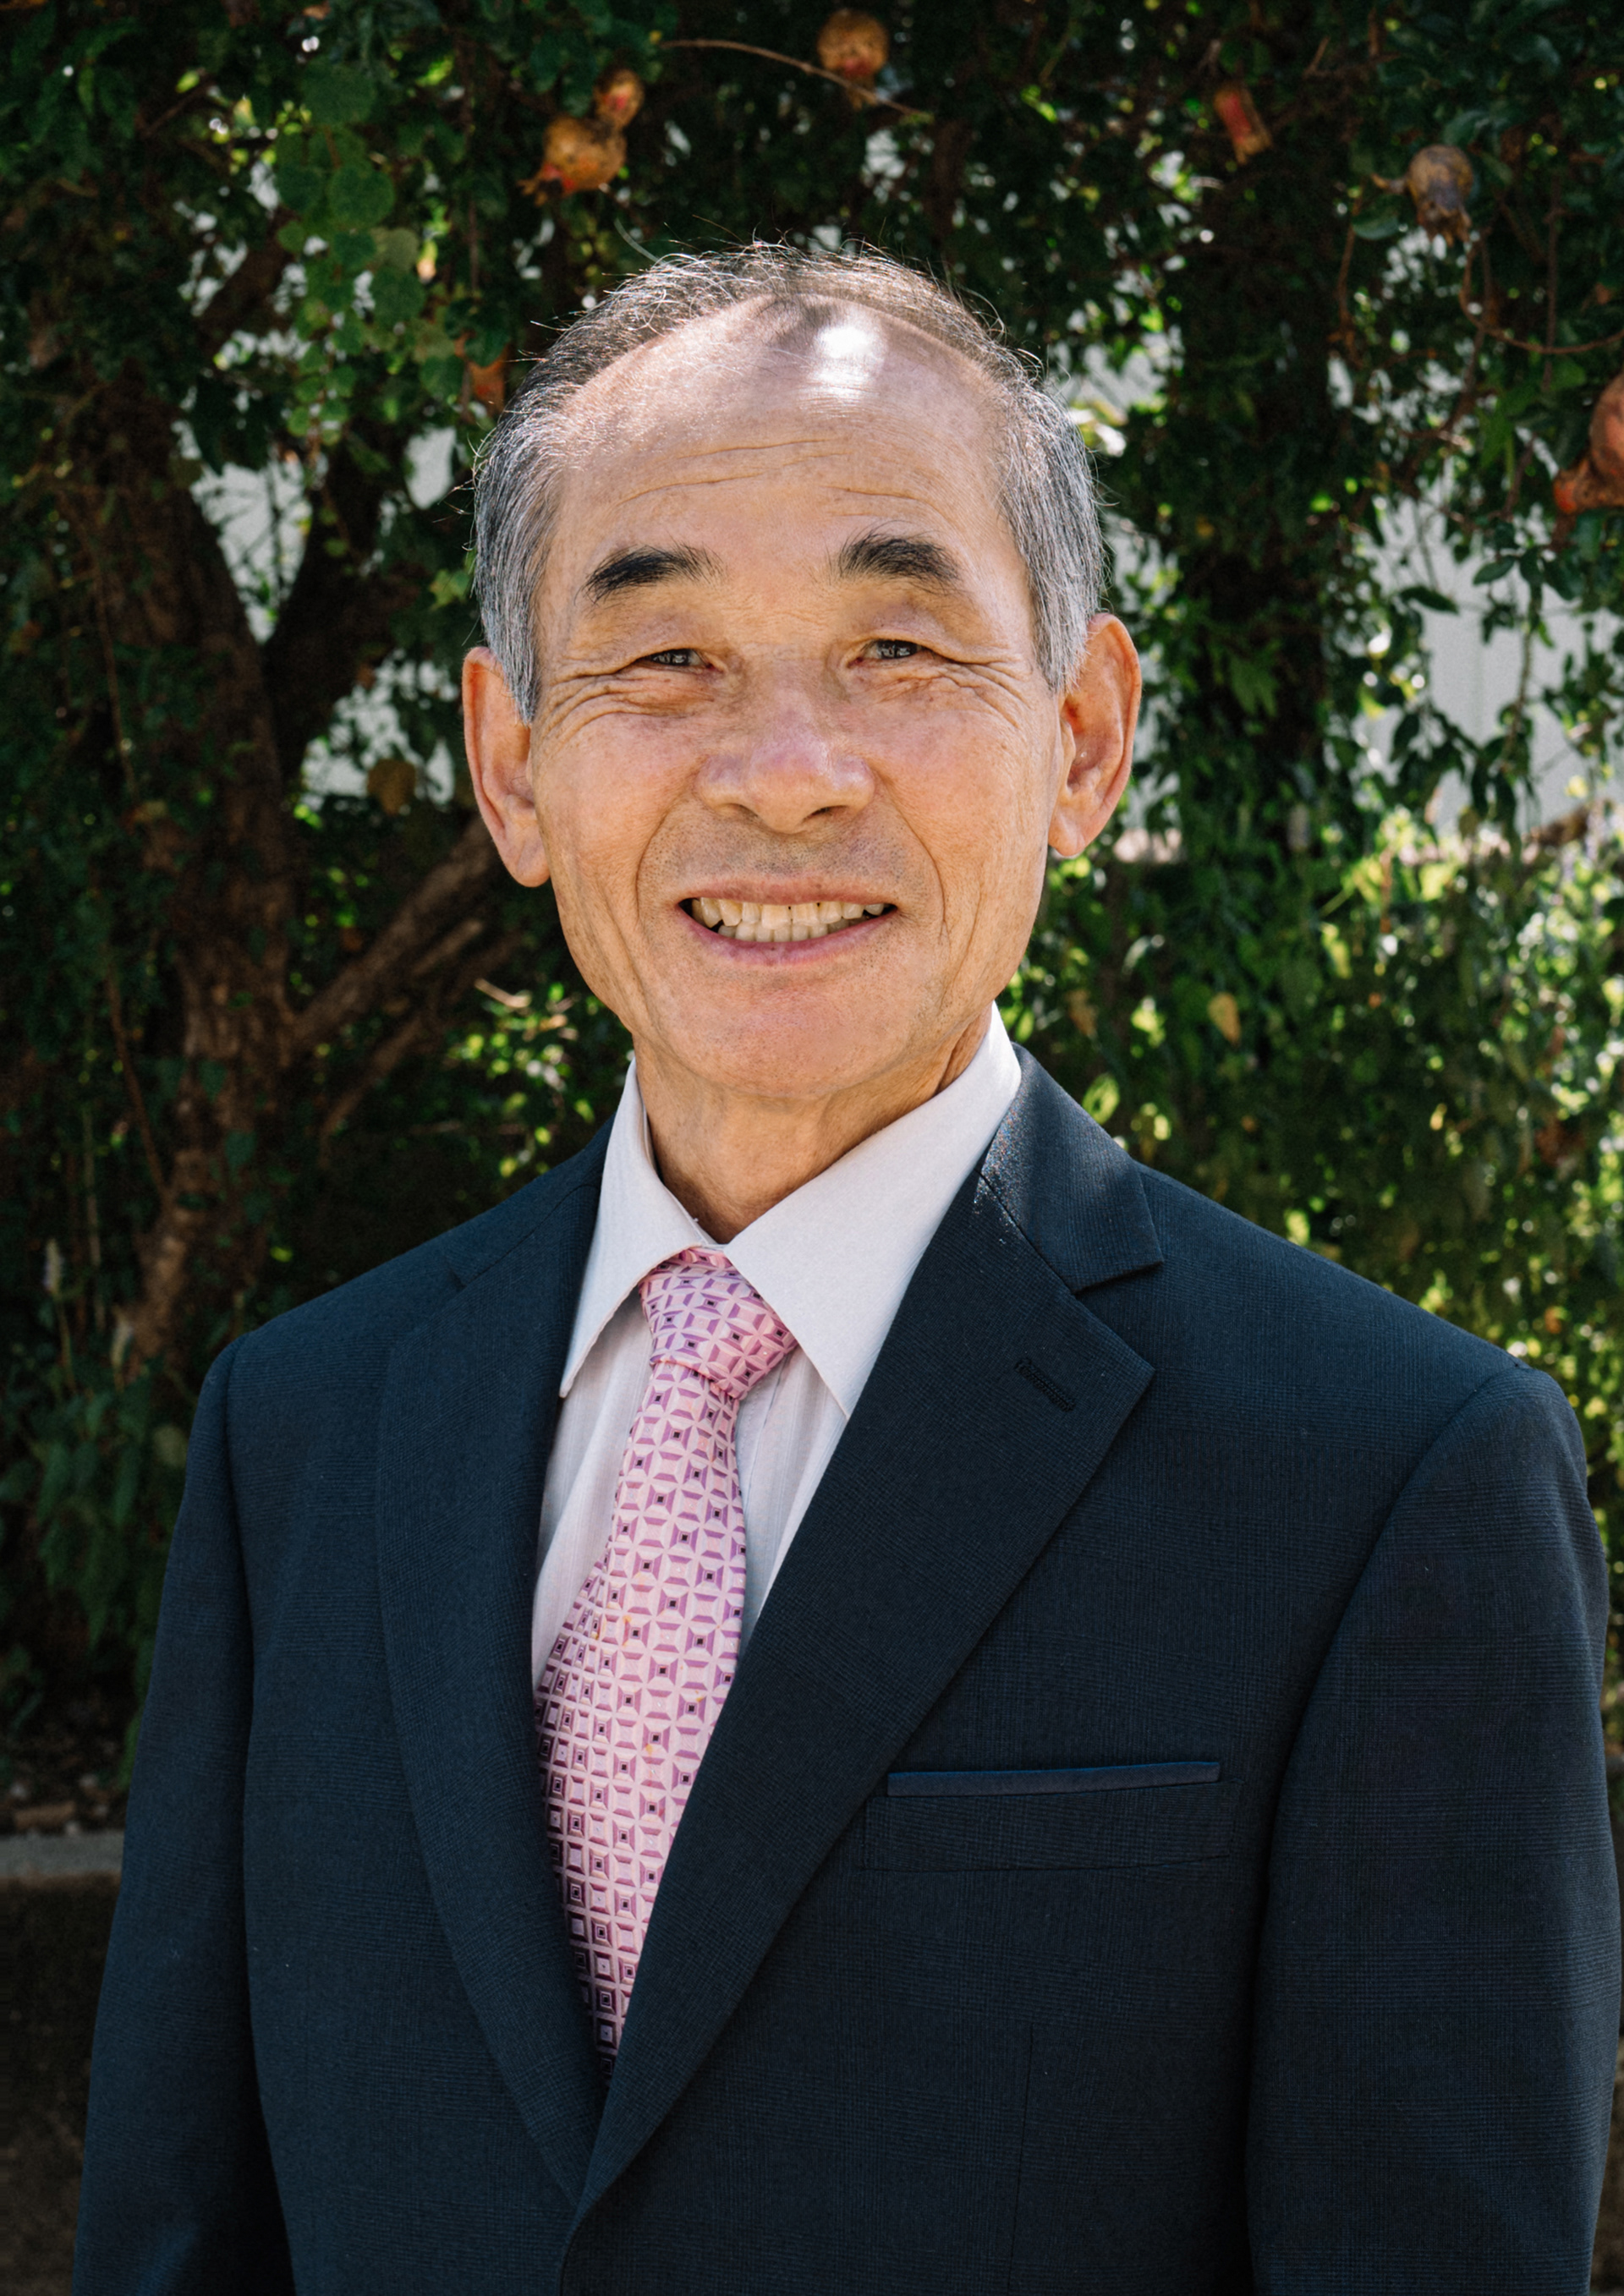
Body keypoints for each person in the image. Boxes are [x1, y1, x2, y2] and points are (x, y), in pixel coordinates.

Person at [75, 246, 1616, 2296]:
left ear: (1083, 737)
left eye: (898, 645)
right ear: (512, 763)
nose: (786, 767)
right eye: (664, 656)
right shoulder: (307, 1433)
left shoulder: (1387, 1477)